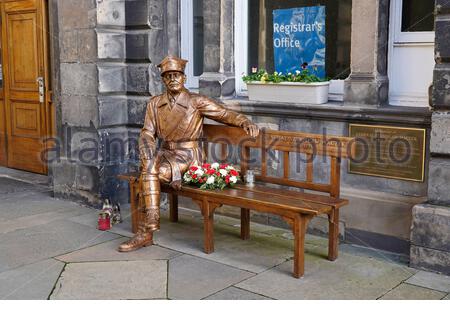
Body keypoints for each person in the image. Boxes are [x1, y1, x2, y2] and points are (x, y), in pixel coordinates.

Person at [118, 56, 259, 252]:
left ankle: (146, 231)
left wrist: (244, 121)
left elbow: (224, 114)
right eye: (168, 76)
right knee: (149, 166)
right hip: (165, 152)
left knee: (149, 172)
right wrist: (147, 148)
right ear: (163, 80)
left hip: (188, 156)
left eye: (176, 75)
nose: (172, 79)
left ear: (184, 78)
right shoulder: (155, 104)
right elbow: (147, 132)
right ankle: (149, 225)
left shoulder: (196, 101)